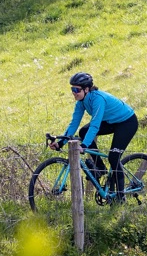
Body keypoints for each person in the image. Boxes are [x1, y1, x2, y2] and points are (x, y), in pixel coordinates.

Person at [50, 72, 138, 200]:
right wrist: (61, 142)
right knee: (83, 132)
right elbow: (74, 124)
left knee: (113, 157)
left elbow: (95, 125)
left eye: (76, 89)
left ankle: (120, 197)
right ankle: (101, 168)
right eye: (72, 89)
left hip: (126, 122)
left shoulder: (98, 99)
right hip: (111, 122)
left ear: (86, 89)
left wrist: (84, 145)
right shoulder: (81, 102)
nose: (74, 92)